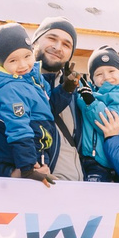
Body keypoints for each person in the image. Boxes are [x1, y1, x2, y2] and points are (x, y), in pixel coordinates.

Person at [0, 24, 62, 181]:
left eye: (27, 56)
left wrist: (66, 91)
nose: (22, 65)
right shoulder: (10, 89)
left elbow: (48, 106)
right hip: (14, 161)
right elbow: (19, 129)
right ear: (2, 63)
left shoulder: (33, 79)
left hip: (32, 158)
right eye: (13, 60)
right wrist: (28, 168)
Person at [31, 19, 86, 180]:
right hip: (36, 187)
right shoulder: (10, 83)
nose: (57, 47)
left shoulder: (76, 92)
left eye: (66, 44)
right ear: (35, 42)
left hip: (76, 190)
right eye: (52, 38)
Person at [76, 48, 119, 180]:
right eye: (99, 74)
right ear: (93, 80)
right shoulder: (93, 94)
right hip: (84, 157)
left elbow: (109, 122)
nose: (106, 77)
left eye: (111, 71)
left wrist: (90, 102)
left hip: (102, 161)